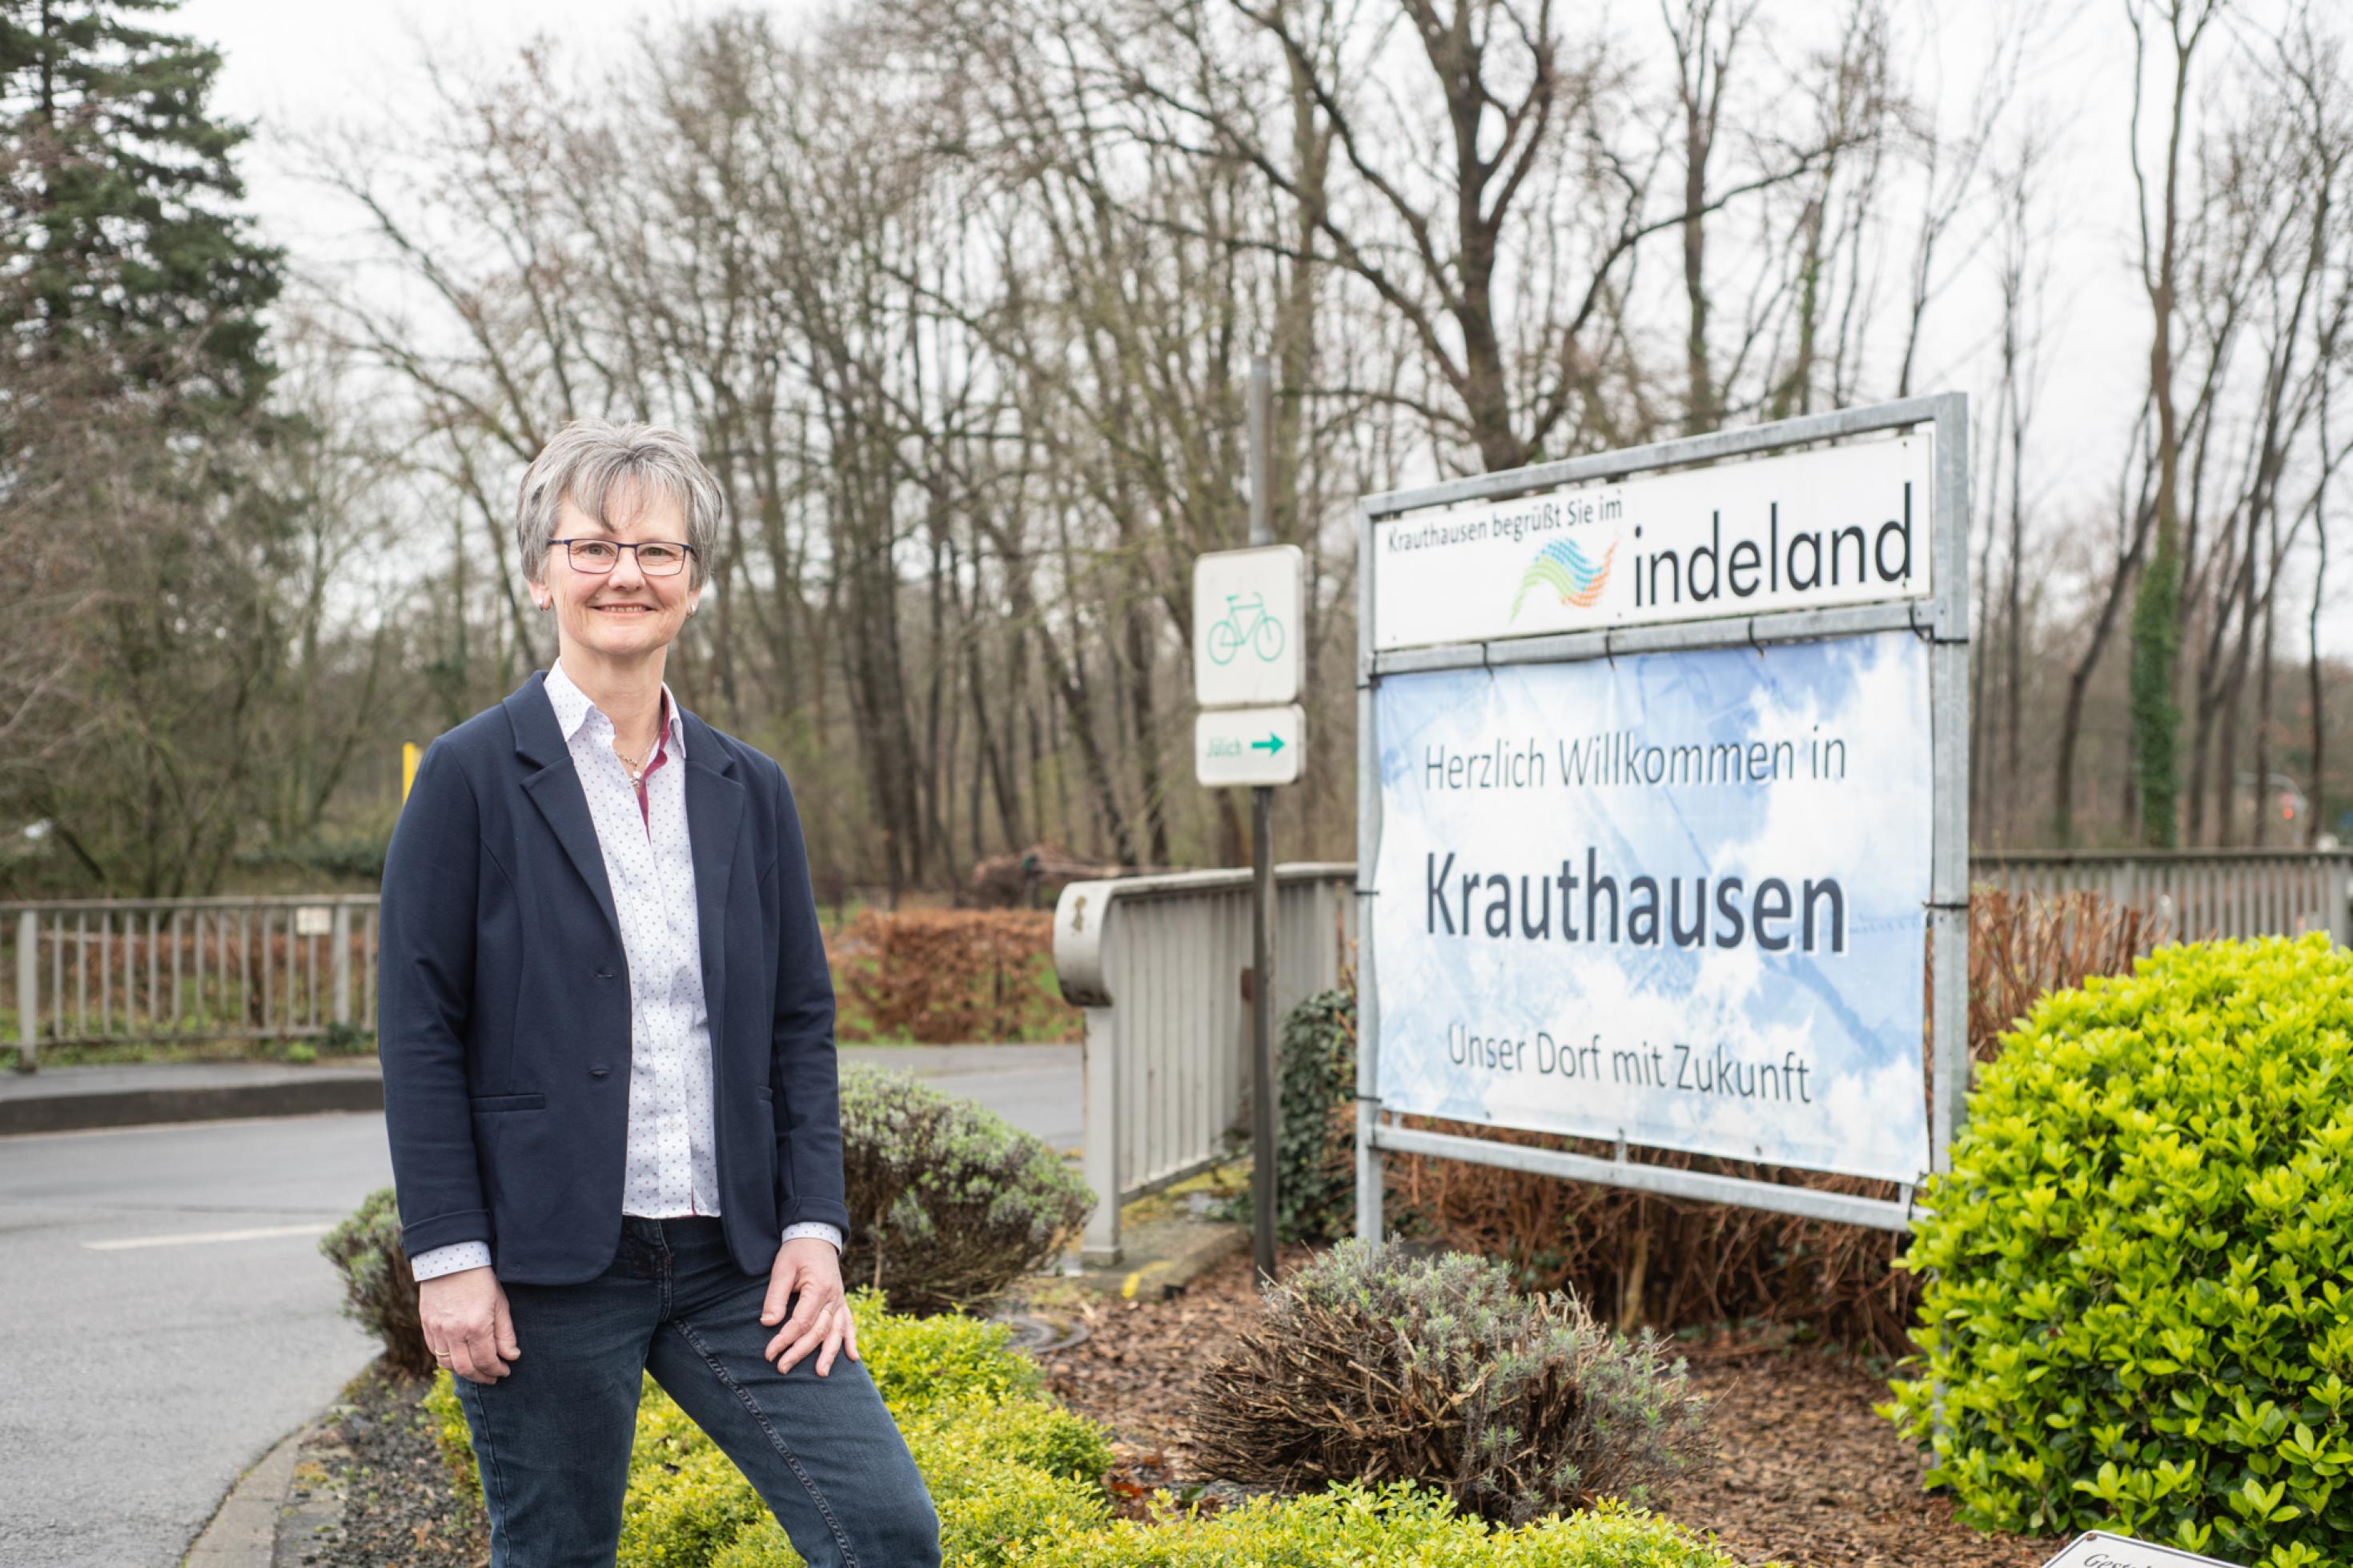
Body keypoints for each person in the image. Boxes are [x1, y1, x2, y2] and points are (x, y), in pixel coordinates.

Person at [377, 419, 941, 1567]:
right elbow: (420, 1031)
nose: (624, 573)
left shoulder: (749, 787)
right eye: (592, 547)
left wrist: (813, 1228)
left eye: (657, 552)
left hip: (736, 1259)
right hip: (546, 1263)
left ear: (693, 585)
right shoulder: (470, 776)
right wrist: (451, 1259)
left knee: (884, 1531)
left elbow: (799, 1024)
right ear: (542, 575)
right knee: (557, 1558)